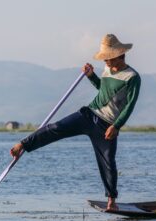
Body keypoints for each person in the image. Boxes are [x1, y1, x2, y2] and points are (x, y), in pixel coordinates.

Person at [10, 34, 141, 211]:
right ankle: (23, 144)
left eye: (109, 58)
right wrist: (91, 76)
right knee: (56, 128)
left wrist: (116, 126)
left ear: (120, 55)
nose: (106, 62)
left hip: (107, 126)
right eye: (105, 59)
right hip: (89, 115)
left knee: (107, 161)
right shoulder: (107, 69)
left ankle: (111, 201)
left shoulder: (132, 77)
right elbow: (102, 90)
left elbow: (129, 106)